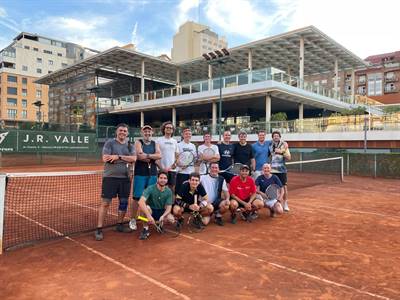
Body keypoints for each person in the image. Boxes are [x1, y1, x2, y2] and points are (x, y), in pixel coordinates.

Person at [95, 123, 136, 241]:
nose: (122, 132)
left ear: (127, 133)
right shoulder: (110, 143)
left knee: (123, 203)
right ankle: (99, 228)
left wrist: (118, 157)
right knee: (105, 203)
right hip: (110, 178)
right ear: (116, 132)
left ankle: (119, 224)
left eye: (124, 131)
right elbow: (105, 158)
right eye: (120, 130)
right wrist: (123, 158)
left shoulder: (130, 145)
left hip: (125, 179)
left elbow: (133, 159)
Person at [131, 125, 162, 228]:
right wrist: (152, 157)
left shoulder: (155, 143)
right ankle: (133, 219)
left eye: (149, 131)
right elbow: (139, 155)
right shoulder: (138, 142)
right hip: (140, 174)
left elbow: (159, 155)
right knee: (136, 198)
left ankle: (145, 220)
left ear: (152, 132)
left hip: (152, 174)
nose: (147, 133)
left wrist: (147, 156)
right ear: (142, 133)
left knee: (149, 199)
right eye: (145, 131)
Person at [136, 171, 176, 240]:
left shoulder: (169, 191)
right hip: (151, 211)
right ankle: (145, 228)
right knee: (145, 208)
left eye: (165, 178)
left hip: (161, 212)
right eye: (161, 178)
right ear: (157, 179)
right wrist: (149, 216)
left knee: (171, 219)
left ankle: (160, 224)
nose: (163, 180)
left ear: (167, 180)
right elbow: (140, 202)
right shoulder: (150, 188)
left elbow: (169, 208)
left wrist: (163, 216)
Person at [269, 130, 291, 212]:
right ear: (272, 137)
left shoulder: (284, 145)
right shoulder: (270, 145)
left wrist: (281, 152)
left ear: (280, 137)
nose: (276, 137)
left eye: (277, 136)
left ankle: (285, 204)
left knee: (284, 188)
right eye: (274, 136)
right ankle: (275, 204)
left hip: (282, 171)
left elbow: (289, 157)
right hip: (272, 171)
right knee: (274, 188)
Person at [156, 121, 179, 192]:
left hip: (172, 170)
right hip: (160, 169)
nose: (169, 129)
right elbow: (156, 156)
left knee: (171, 189)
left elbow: (177, 156)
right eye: (167, 127)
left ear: (172, 130)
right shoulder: (158, 140)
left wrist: (174, 164)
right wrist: (161, 168)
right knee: (160, 188)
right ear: (164, 129)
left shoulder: (174, 141)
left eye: (170, 128)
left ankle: (170, 203)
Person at [175, 127, 197, 191]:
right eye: (186, 134)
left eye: (189, 134)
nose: (188, 135)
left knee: (189, 190)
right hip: (181, 172)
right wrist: (181, 165)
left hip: (191, 172)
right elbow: (176, 158)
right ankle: (178, 201)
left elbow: (194, 158)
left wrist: (197, 160)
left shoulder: (193, 145)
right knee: (180, 189)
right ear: (183, 135)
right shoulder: (178, 145)